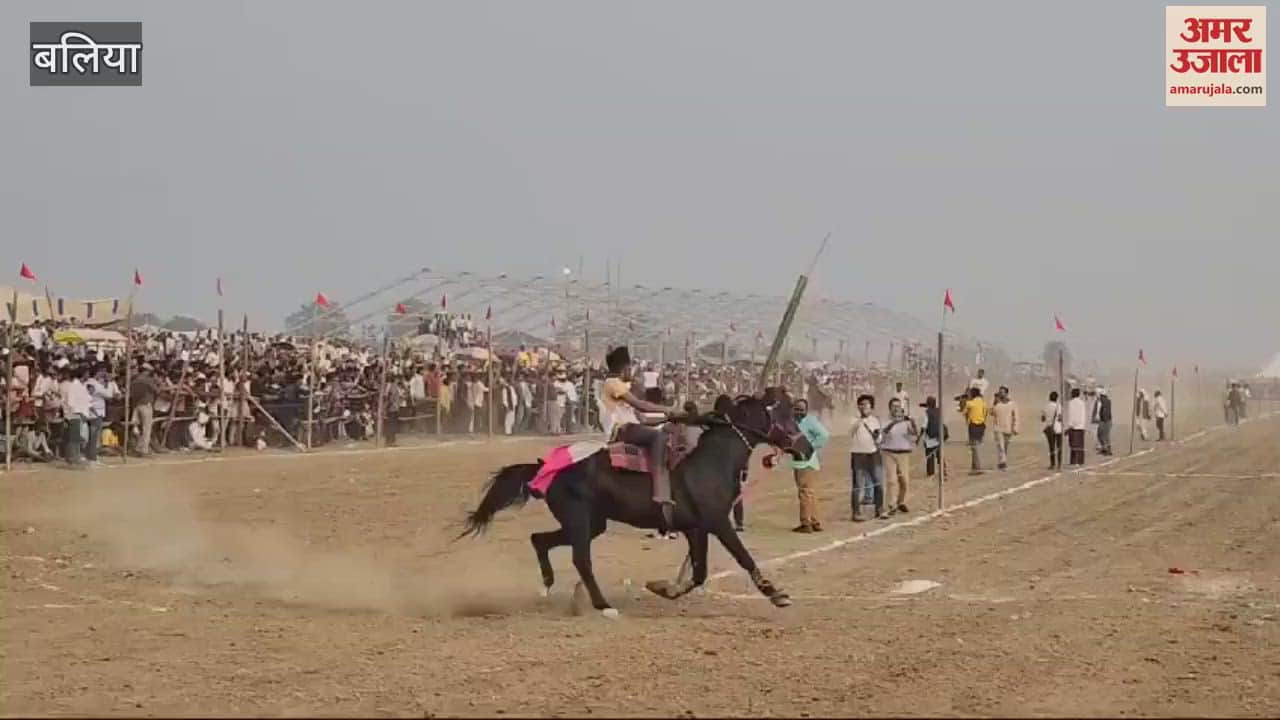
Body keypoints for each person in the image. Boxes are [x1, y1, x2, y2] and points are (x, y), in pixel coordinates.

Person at [599, 346, 679, 531]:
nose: (632, 374)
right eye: (630, 369)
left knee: (663, 432)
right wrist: (668, 410)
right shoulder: (614, 383)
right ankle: (659, 489)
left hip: (632, 426)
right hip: (622, 430)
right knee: (658, 437)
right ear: (623, 368)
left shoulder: (619, 388)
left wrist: (668, 419)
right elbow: (641, 405)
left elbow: (642, 418)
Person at [789, 398, 830, 533]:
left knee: (805, 492)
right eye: (796, 409)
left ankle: (806, 523)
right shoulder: (793, 422)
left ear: (806, 410)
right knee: (809, 492)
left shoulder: (810, 421)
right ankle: (814, 521)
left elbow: (824, 435)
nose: (798, 412)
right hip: (799, 460)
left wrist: (811, 447)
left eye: (801, 409)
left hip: (806, 461)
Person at [879, 397, 918, 515]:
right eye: (894, 406)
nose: (896, 408)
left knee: (904, 480)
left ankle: (901, 501)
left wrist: (913, 422)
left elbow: (914, 434)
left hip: (903, 453)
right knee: (891, 480)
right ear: (889, 408)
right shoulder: (885, 419)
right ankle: (891, 504)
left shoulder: (905, 421)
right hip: (889, 452)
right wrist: (893, 422)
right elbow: (883, 433)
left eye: (898, 406)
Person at [850, 394, 886, 521]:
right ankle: (856, 512)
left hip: (873, 453)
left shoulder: (875, 420)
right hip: (858, 454)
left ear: (871, 406)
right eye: (861, 404)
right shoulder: (854, 419)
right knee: (857, 485)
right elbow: (851, 431)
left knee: (878, 482)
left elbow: (879, 438)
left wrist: (877, 436)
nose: (864, 406)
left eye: (866, 404)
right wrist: (861, 419)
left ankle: (879, 509)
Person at [84, 365, 118, 464]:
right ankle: (92, 457)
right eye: (102, 372)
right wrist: (110, 382)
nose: (104, 374)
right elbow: (109, 395)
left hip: (92, 411)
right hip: (96, 412)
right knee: (94, 435)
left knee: (92, 435)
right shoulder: (95, 384)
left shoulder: (90, 382)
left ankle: (90, 455)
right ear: (97, 372)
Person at [59, 365, 92, 468]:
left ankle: (74, 457)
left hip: (82, 415)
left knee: (77, 438)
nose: (88, 375)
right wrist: (79, 413)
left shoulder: (82, 386)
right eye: (87, 373)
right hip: (75, 415)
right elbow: (71, 402)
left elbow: (87, 400)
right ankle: (72, 458)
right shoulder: (74, 386)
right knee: (73, 438)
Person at [130, 363, 158, 456]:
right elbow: (156, 390)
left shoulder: (134, 380)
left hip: (136, 405)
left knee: (138, 428)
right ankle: (143, 450)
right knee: (146, 429)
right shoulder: (147, 380)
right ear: (146, 371)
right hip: (146, 405)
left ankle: (138, 447)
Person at [989, 386, 1019, 471]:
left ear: (1006, 393)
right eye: (1000, 392)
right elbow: (991, 413)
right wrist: (994, 403)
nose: (1000, 393)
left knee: (1005, 447)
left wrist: (1015, 428)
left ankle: (1001, 461)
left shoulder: (1012, 404)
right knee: (1000, 447)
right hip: (998, 428)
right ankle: (1003, 463)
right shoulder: (997, 404)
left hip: (1008, 429)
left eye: (1002, 392)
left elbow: (1016, 416)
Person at [920, 396, 949, 482]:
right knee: (940, 456)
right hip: (940, 436)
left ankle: (931, 472)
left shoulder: (927, 412)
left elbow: (924, 426)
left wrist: (919, 437)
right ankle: (943, 472)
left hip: (930, 437)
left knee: (930, 456)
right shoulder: (939, 411)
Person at [961, 387, 987, 475]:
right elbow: (985, 413)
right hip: (982, 425)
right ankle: (974, 467)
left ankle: (978, 468)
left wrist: (964, 402)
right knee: (975, 447)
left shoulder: (970, 403)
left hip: (973, 426)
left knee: (974, 448)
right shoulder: (983, 402)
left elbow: (963, 412)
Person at [1041, 391, 1064, 470]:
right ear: (1057, 398)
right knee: (1059, 447)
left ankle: (1052, 464)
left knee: (1051, 447)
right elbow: (1060, 418)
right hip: (1058, 429)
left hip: (1049, 429)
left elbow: (1042, 419)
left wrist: (1048, 419)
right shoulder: (1059, 406)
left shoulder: (1045, 406)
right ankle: (1059, 464)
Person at [1065, 387, 1087, 466]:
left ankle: (1073, 461)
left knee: (1073, 445)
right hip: (1081, 427)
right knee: (1080, 445)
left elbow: (1071, 415)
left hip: (1073, 427)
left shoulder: (1071, 403)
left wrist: (1070, 426)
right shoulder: (1082, 403)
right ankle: (1080, 461)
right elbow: (1083, 415)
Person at [1093, 387, 1113, 456]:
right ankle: (1105, 449)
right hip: (1106, 420)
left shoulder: (1103, 401)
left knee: (1102, 435)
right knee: (1103, 436)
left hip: (1104, 420)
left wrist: (1101, 420)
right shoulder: (1106, 401)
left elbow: (1103, 412)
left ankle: (1107, 449)